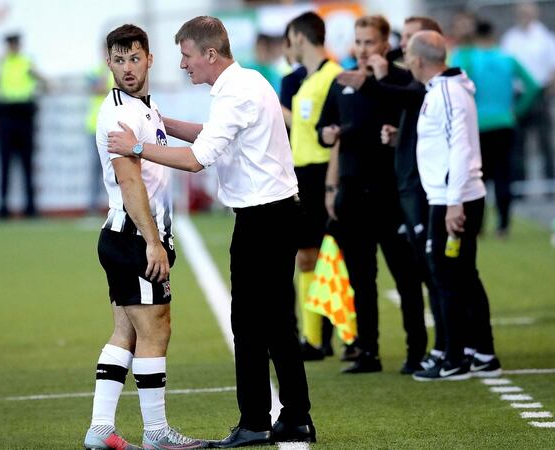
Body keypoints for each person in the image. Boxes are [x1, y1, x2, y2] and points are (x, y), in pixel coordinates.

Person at [107, 16, 315, 447]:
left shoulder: (235, 93)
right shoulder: (246, 83)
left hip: (265, 218)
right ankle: (293, 417)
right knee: (275, 322)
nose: (183, 65)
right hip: (271, 215)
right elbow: (210, 135)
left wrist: (139, 146)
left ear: (210, 55)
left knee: (252, 323)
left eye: (186, 56)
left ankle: (259, 420)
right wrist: (160, 120)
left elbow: (197, 159)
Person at [83, 25, 206, 450]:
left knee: (126, 332)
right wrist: (154, 242)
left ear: (149, 59)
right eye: (119, 60)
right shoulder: (122, 113)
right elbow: (129, 180)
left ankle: (101, 430)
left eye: (134, 58)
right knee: (156, 331)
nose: (128, 68)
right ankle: (157, 434)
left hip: (122, 236)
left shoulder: (143, 109)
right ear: (109, 64)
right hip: (135, 238)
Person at [333, 16, 446, 374]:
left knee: (407, 278)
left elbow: (411, 119)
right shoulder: (344, 80)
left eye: (369, 41)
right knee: (360, 279)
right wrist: (331, 187)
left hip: (391, 195)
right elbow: (330, 134)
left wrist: (378, 85)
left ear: (386, 43)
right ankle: (368, 351)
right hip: (353, 194)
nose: (363, 48)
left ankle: (417, 350)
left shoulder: (403, 81)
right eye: (358, 41)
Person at [406, 30, 501, 381]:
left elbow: (460, 147)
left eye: (406, 52)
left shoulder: (448, 92)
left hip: (452, 199)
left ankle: (457, 356)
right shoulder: (445, 90)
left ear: (418, 59)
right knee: (460, 274)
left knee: (446, 275)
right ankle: (482, 352)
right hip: (449, 196)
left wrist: (454, 202)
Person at [285, 11, 342, 361]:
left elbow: (334, 135)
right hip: (301, 176)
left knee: (327, 258)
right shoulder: (305, 80)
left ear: (300, 38)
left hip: (321, 175)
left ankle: (332, 337)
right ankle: (314, 338)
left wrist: (331, 186)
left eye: (291, 38)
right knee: (307, 258)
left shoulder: (332, 76)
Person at [451, 20, 540, 237]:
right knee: (504, 175)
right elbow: (533, 86)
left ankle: (479, 226)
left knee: (478, 177)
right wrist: (516, 110)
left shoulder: (468, 58)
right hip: (504, 123)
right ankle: (503, 225)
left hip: (478, 125)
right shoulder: (507, 58)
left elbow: (455, 79)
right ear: (494, 34)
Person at [501, 1, 555, 185]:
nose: (525, 15)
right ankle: (520, 185)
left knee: (545, 142)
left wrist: (550, 93)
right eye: (521, 11)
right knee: (518, 144)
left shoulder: (547, 37)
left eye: (528, 11)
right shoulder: (510, 39)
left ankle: (550, 183)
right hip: (519, 96)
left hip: (541, 94)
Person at [0, 33, 45, 218]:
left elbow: (42, 81)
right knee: (4, 164)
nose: (13, 47)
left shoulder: (26, 61)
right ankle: (3, 207)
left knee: (27, 164)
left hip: (24, 115)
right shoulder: (0, 63)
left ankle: (30, 206)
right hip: (6, 114)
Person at [85, 44, 114, 214]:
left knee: (118, 166)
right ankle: (93, 206)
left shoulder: (120, 70)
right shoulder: (96, 71)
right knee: (95, 168)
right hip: (95, 125)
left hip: (114, 126)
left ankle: (120, 205)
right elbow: (97, 88)